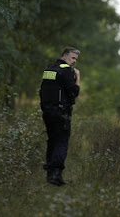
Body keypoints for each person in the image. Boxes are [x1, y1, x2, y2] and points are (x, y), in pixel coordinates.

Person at [39, 47, 81, 186]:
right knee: (61, 141)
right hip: (61, 112)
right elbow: (74, 92)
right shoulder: (66, 71)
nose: (74, 61)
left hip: (47, 111)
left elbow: (42, 91)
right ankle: (56, 175)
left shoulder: (49, 69)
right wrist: (78, 77)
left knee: (52, 140)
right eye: (72, 58)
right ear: (64, 56)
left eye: (76, 59)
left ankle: (49, 173)